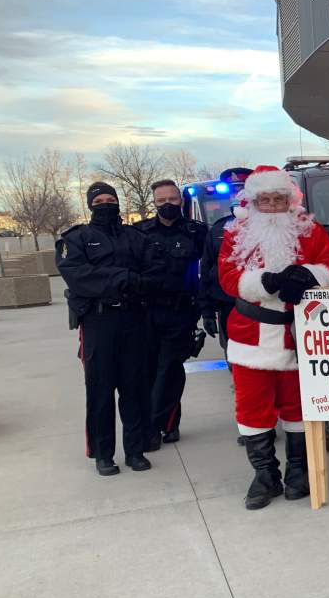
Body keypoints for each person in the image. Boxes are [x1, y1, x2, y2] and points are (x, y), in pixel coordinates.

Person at [218, 166, 329, 509]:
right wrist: (267, 282)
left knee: (298, 406)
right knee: (252, 408)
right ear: (253, 202)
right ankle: (265, 475)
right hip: (251, 337)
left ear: (290, 200)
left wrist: (309, 275)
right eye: (266, 200)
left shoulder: (310, 230)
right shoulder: (235, 233)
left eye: (279, 199)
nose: (273, 206)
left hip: (299, 335)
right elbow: (227, 278)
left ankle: (298, 471)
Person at [56, 181, 163, 476]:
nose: (105, 204)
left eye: (110, 199)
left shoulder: (136, 237)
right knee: (100, 391)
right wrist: (123, 278)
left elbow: (155, 271)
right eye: (99, 201)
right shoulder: (77, 239)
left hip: (133, 319)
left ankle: (135, 450)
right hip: (98, 322)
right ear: (90, 205)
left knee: (135, 388)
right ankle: (103, 454)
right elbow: (78, 276)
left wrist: (131, 282)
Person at [137, 179, 207, 449]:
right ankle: (169, 422)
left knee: (170, 369)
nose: (167, 204)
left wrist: (206, 309)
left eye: (172, 199)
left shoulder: (196, 232)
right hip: (147, 312)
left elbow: (209, 269)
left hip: (181, 311)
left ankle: (155, 427)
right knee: (150, 370)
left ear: (181, 200)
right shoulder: (139, 232)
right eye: (161, 201)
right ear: (154, 203)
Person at [199, 168, 253, 362]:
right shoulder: (218, 229)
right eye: (233, 192)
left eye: (242, 190)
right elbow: (206, 271)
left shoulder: (272, 223)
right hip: (229, 305)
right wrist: (207, 313)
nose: (237, 196)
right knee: (235, 360)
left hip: (265, 305)